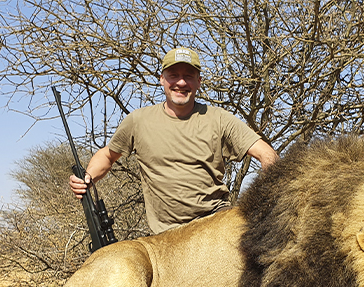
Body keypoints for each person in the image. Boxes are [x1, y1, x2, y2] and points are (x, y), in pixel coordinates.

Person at [69, 47, 278, 234]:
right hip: (165, 237)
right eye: (173, 75)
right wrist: (86, 178)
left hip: (216, 223)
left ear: (198, 82)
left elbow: (266, 153)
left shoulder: (219, 118)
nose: (181, 82)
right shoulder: (138, 121)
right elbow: (108, 155)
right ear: (162, 79)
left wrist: (267, 199)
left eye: (189, 76)